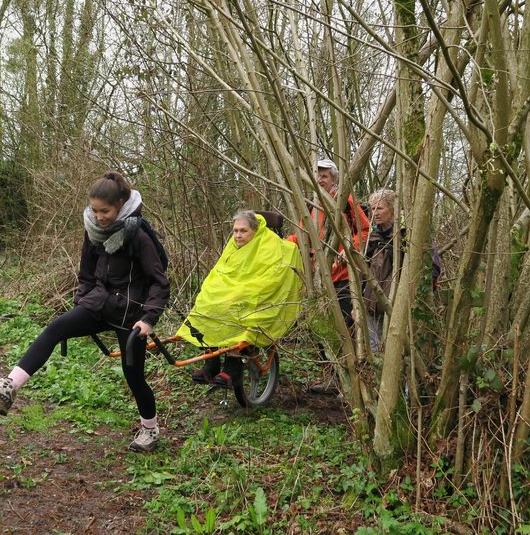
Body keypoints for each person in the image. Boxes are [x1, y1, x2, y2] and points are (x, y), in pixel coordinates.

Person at [0, 172, 170, 453]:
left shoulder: (137, 234)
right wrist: (82, 301)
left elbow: (159, 282)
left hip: (131, 313)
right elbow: (87, 274)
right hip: (99, 303)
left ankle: (150, 429)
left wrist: (148, 319)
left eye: (106, 211)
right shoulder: (93, 231)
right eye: (95, 210)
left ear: (121, 204)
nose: (99, 217)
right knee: (55, 328)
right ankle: (7, 388)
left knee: (133, 374)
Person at [176, 210, 303, 389]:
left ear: (255, 230)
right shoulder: (234, 246)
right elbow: (221, 271)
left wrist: (241, 290)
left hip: (253, 293)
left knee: (236, 308)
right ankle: (210, 365)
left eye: (243, 231)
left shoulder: (269, 244)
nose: (237, 235)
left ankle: (232, 369)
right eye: (235, 231)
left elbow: (272, 275)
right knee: (207, 302)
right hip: (234, 290)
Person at [288, 158, 370, 393]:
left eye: (324, 176)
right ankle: (336, 375)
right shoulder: (314, 205)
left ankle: (351, 381)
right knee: (325, 327)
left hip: (345, 278)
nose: (320, 180)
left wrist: (348, 248)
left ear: (334, 179)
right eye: (317, 175)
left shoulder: (345, 202)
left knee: (345, 327)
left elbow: (365, 231)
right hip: (322, 279)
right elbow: (303, 236)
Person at [362, 189, 441, 352]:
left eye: (380, 208)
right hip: (371, 304)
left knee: (395, 351)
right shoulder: (372, 236)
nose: (374, 213)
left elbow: (431, 268)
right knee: (375, 351)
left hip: (397, 307)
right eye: (372, 209)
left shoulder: (410, 234)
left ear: (393, 209)